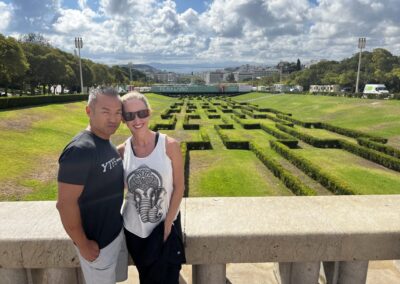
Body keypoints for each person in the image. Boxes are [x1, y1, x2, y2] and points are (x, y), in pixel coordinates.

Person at [56, 87, 128, 284]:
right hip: (97, 245)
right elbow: (65, 204)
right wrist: (83, 244)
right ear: (89, 111)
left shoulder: (104, 142)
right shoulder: (80, 150)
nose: (113, 119)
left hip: (114, 233)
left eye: (118, 112)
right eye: (105, 112)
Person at [118, 91, 186, 284]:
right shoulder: (122, 151)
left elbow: (179, 186)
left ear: (149, 112)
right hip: (134, 231)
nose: (137, 119)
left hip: (164, 229)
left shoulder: (169, 145)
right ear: (123, 119)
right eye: (129, 115)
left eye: (142, 113)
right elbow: (120, 191)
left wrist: (167, 226)